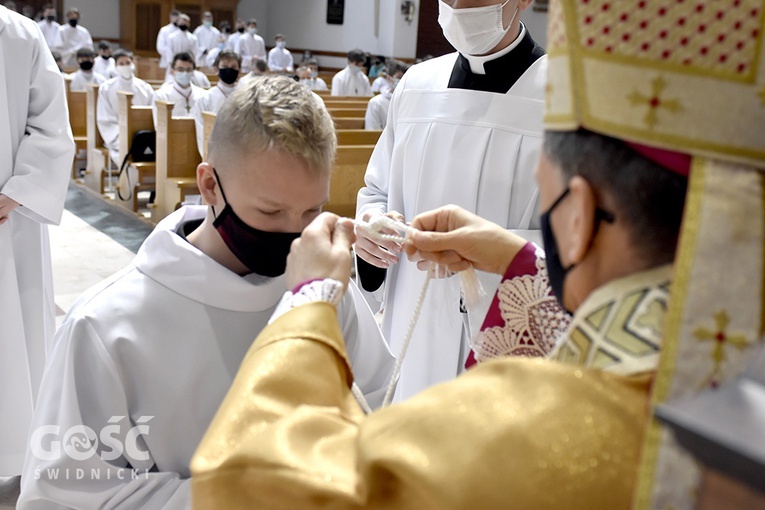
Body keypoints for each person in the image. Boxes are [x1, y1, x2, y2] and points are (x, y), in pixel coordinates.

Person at [191, 0, 765, 507]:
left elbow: (250, 484)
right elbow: (376, 189)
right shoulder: (728, 395)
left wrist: (309, 297)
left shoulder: (516, 435)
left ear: (578, 216)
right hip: (414, 314)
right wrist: (512, 257)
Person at [18, 75, 394, 509]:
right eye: (271, 211)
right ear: (210, 184)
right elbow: (61, 495)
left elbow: (378, 404)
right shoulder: (104, 326)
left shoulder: (325, 292)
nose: (296, 233)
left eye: (312, 210)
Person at [355, 0, 548, 401]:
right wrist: (372, 233)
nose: (459, 6)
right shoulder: (415, 84)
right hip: (412, 319)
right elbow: (376, 190)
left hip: (503, 340)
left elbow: (581, 243)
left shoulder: (564, 100)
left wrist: (490, 253)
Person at [0, 4, 74, 478]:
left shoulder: (18, 34)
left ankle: (9, 451)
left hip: (7, 222)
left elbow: (51, 127)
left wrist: (18, 191)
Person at [96, 50, 154, 166]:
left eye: (128, 63)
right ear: (116, 66)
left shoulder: (144, 87)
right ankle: (127, 181)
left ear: (133, 64)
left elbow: (152, 112)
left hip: (142, 135)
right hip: (117, 136)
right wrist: (122, 135)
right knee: (124, 149)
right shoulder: (106, 88)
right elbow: (105, 118)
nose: (125, 66)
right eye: (121, 64)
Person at [192, 49, 241, 157]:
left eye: (233, 67)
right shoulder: (204, 99)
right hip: (215, 156)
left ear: (239, 72)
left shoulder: (245, 98)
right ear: (216, 70)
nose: (229, 70)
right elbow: (202, 133)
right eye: (224, 66)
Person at [152, 52, 205, 128]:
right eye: (180, 69)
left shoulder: (203, 95)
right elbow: (159, 127)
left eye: (189, 69)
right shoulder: (161, 96)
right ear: (172, 71)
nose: (185, 73)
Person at [365, 61, 407, 130]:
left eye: (404, 78)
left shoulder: (410, 101)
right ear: (388, 77)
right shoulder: (376, 103)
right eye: (399, 77)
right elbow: (372, 131)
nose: (402, 81)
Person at [165, 14, 198, 79]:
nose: (183, 23)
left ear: (189, 24)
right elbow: (169, 52)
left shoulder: (193, 38)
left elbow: (195, 53)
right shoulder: (171, 37)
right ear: (178, 23)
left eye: (185, 22)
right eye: (181, 21)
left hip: (188, 66)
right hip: (175, 66)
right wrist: (173, 65)